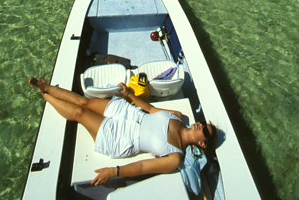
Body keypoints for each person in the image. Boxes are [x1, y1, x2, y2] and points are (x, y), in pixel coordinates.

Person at [28, 77, 217, 186]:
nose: (200, 125)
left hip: (122, 138)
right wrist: (130, 96)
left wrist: (113, 172)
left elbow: (143, 166)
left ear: (202, 144)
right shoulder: (178, 116)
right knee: (83, 101)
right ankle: (45, 86)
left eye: (205, 132)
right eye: (202, 123)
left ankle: (47, 97)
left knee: (80, 113)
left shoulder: (176, 157)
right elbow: (150, 109)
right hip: (130, 113)